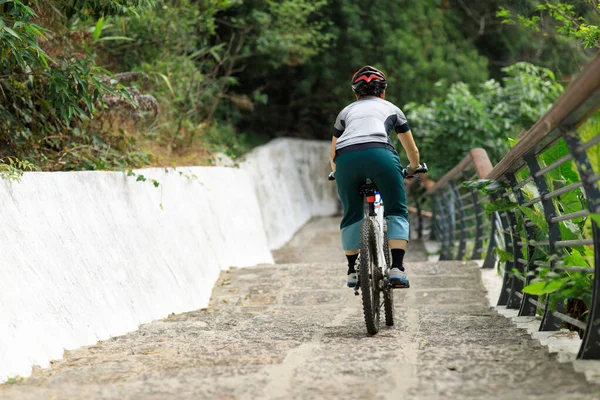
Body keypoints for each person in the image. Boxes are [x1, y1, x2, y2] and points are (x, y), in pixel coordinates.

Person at [329, 65, 422, 288]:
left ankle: (352, 271)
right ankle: (397, 268)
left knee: (351, 214)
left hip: (346, 160)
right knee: (397, 210)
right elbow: (412, 151)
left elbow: (333, 153)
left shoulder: (345, 112)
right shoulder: (392, 109)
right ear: (383, 91)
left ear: (356, 93)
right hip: (381, 155)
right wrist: (414, 167)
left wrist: (336, 171)